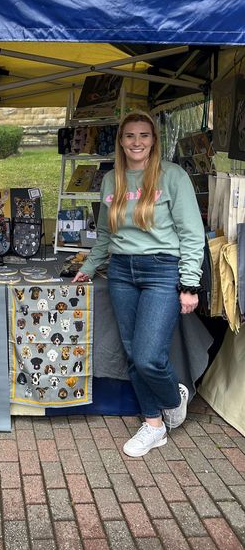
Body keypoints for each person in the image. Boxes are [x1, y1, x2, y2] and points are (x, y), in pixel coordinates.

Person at [73, 110, 204, 457]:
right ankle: (153, 425)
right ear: (121, 141)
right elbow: (104, 233)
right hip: (120, 272)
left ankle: (172, 396)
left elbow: (192, 234)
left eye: (144, 135)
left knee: (148, 357)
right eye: (130, 135)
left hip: (163, 270)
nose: (136, 142)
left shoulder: (172, 176)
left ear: (154, 140)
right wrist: (89, 266)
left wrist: (190, 284)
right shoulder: (110, 180)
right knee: (132, 353)